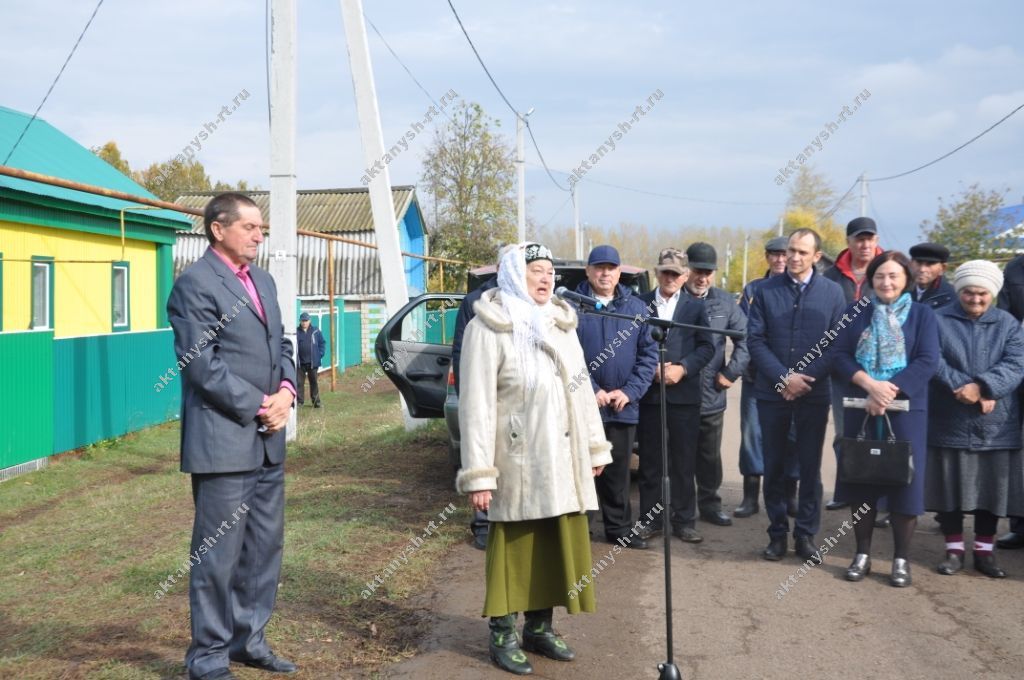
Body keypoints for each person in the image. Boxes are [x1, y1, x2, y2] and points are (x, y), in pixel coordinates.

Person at [457, 242, 613, 675]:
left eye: (549, 272)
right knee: (515, 549)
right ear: (513, 275)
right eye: (536, 272)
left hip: (561, 456)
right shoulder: (488, 327)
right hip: (517, 460)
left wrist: (595, 446)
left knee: (554, 542)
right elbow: (476, 406)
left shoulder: (561, 324)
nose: (546, 279)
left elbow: (581, 389)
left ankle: (539, 628)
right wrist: (480, 474)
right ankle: (503, 632)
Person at [167, 193, 298, 680]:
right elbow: (201, 363)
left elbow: (281, 342)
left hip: (267, 442)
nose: (260, 236)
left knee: (263, 549)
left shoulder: (263, 281)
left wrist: (286, 390)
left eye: (261, 228)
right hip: (223, 443)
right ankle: (208, 657)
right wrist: (259, 405)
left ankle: (249, 640)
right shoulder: (195, 285)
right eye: (250, 227)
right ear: (218, 229)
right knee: (217, 557)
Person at [832, 252, 939, 587]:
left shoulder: (922, 316)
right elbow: (838, 355)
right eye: (880, 276)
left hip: (906, 409)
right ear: (871, 279)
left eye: (893, 276)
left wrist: (888, 392)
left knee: (904, 484)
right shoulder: (855, 313)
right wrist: (869, 385)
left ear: (906, 278)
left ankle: (900, 559)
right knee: (861, 479)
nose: (886, 282)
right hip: (859, 405)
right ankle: (862, 553)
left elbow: (927, 360)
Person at [747, 228, 846, 562]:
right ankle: (777, 534)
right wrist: (784, 378)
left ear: (816, 256)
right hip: (772, 393)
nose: (794, 257)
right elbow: (756, 340)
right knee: (773, 465)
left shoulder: (832, 293)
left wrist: (807, 378)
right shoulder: (763, 291)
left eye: (803, 252)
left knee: (809, 467)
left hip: (813, 394)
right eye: (791, 250)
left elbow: (837, 343)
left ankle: (805, 535)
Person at [925, 260, 1024, 579]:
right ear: (959, 290)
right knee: (950, 490)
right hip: (949, 417)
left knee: (989, 491)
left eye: (982, 293)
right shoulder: (937, 320)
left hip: (995, 424)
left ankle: (985, 551)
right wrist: (961, 387)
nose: (975, 299)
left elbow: (1017, 363)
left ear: (993, 293)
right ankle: (954, 550)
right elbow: (931, 359)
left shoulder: (1008, 324)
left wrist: (982, 387)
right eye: (968, 292)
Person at [574, 245, 658, 548]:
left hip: (623, 406)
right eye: (598, 267)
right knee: (582, 469)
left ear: (619, 272)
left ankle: (619, 529)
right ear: (588, 271)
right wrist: (591, 390)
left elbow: (648, 356)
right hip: (584, 407)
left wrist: (630, 391)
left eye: (611, 268)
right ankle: (579, 531)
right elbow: (566, 356)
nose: (604, 273)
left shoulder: (636, 309)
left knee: (618, 472)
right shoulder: (572, 306)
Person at [636, 248, 714, 543]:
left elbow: (707, 347)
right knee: (651, 461)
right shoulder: (640, 304)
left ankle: (684, 519)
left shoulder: (695, 308)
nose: (670, 278)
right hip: (650, 396)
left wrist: (683, 368)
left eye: (676, 273)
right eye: (665, 272)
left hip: (684, 397)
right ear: (656, 273)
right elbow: (630, 344)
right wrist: (649, 367)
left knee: (683, 461)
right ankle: (650, 520)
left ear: (684, 277)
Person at [451, 244, 515, 550]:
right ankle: (483, 526)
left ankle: (513, 520)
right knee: (481, 458)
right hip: (483, 398)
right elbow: (460, 351)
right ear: (498, 267)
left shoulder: (527, 300)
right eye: (507, 264)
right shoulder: (475, 300)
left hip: (515, 402)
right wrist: (468, 395)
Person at [681, 243, 748, 526]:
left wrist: (731, 373)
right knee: (677, 457)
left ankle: (710, 505)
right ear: (687, 270)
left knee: (709, 457)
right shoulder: (674, 300)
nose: (702, 278)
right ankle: (678, 510)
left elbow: (746, 339)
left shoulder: (724, 302)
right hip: (677, 392)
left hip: (711, 393)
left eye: (708, 272)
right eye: (698, 271)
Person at [823, 217, 884, 513]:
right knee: (845, 433)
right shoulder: (831, 276)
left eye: (870, 238)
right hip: (842, 369)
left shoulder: (888, 271)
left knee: (882, 430)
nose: (865, 244)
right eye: (859, 239)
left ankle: (883, 498)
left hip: (883, 371)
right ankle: (846, 489)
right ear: (848, 241)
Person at [737, 236, 800, 518]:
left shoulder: (798, 290)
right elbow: (745, 333)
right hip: (756, 378)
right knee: (752, 436)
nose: (779, 259)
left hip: (791, 380)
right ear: (767, 258)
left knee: (791, 437)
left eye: (783, 254)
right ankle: (751, 497)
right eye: (773, 255)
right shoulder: (753, 289)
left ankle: (790, 496)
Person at [995, 253, 1024, 550]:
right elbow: (1006, 318)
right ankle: (1020, 525)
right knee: (1017, 450)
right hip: (1020, 367)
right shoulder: (1015, 267)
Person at [908, 242, 955, 309]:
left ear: (942, 268)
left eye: (929, 264)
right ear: (910, 264)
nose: (922, 269)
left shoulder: (952, 297)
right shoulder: (901, 291)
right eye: (919, 263)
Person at [295, 312, 325, 408]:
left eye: (306, 320)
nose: (304, 322)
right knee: (299, 383)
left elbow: (322, 343)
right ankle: (300, 402)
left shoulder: (315, 331)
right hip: (300, 363)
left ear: (309, 321)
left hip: (313, 362)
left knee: (314, 382)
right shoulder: (296, 332)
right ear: (300, 321)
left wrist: (320, 354)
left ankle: (316, 401)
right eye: (302, 320)